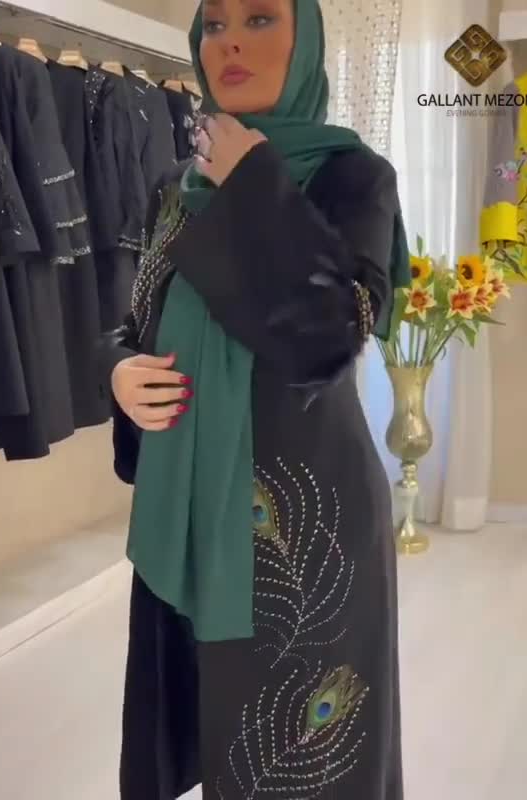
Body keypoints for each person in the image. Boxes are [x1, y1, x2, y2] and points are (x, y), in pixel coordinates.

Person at [102, 1, 408, 797]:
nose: (231, 41)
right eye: (214, 25)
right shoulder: (174, 186)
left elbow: (332, 335)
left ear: (305, 44)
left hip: (303, 516)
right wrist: (121, 371)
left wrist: (253, 182)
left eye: (262, 19)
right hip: (187, 507)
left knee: (301, 751)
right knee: (208, 727)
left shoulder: (354, 179)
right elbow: (134, 320)